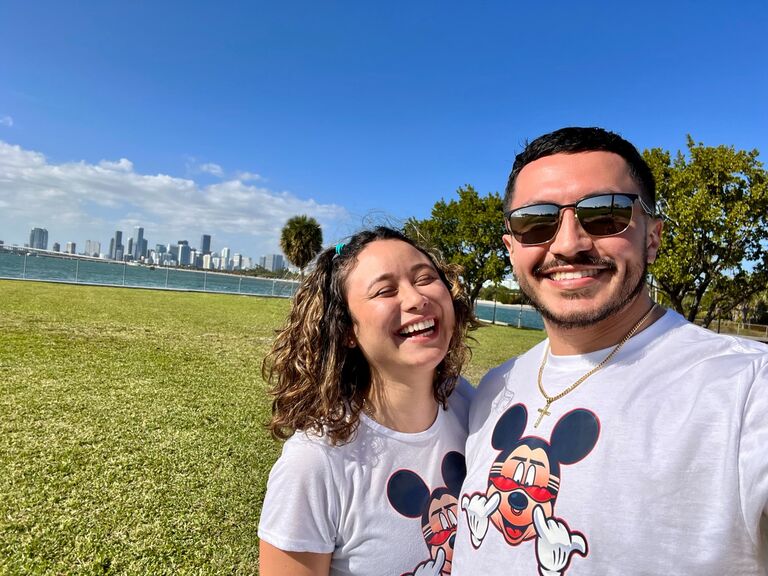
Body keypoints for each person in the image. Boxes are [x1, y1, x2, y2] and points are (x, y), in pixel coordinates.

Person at [452, 127, 768, 575]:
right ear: (511, 248)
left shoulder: (745, 388)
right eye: (536, 222)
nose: (568, 244)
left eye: (605, 215)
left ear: (653, 237)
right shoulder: (493, 387)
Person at [258, 226, 478, 576]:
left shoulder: (475, 407)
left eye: (425, 278)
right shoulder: (315, 462)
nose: (416, 298)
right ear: (346, 329)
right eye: (385, 290)